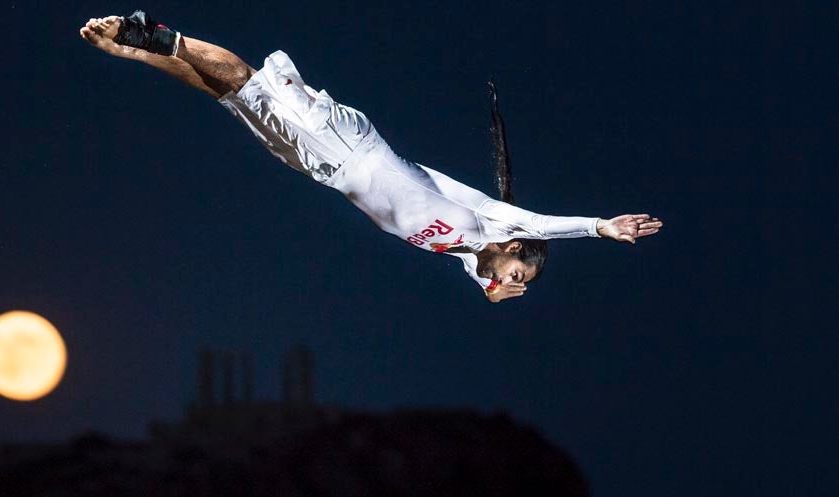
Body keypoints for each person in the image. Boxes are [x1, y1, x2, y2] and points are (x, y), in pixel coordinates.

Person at [78, 11, 663, 303]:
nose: (517, 285)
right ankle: (153, 33)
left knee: (228, 96)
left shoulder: (462, 253)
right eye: (520, 274)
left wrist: (492, 290)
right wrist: (599, 228)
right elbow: (539, 226)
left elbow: (481, 278)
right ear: (511, 248)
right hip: (349, 145)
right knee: (249, 82)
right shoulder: (494, 223)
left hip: (326, 170)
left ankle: (135, 53)